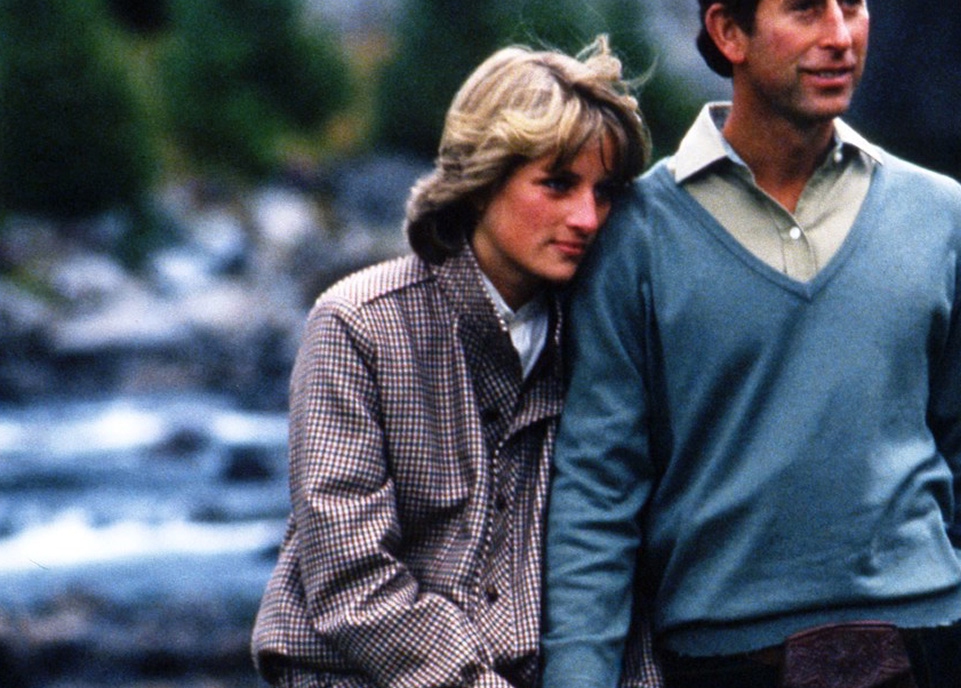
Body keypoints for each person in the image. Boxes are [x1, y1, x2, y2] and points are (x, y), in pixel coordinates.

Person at [542, 0, 961, 688]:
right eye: (807, 8)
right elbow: (597, 497)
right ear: (728, 31)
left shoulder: (941, 216)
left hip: (931, 647)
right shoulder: (636, 235)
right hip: (726, 663)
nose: (840, 35)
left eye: (854, 2)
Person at [250, 37, 662, 688]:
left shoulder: (605, 338)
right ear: (480, 183)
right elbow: (349, 575)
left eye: (605, 191)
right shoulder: (358, 325)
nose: (587, 217)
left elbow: (619, 557)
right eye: (557, 184)